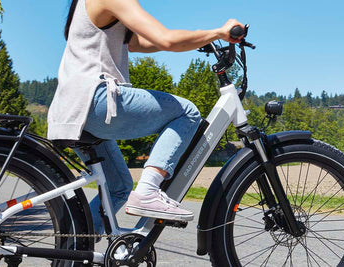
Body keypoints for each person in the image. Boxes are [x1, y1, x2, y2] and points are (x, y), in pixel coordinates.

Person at [47, 0, 244, 233]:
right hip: (96, 100)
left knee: (118, 186)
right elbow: (166, 39)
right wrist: (218, 32)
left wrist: (200, 38)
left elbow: (137, 43)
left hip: (73, 110)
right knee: (187, 112)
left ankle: (76, 245)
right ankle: (148, 191)